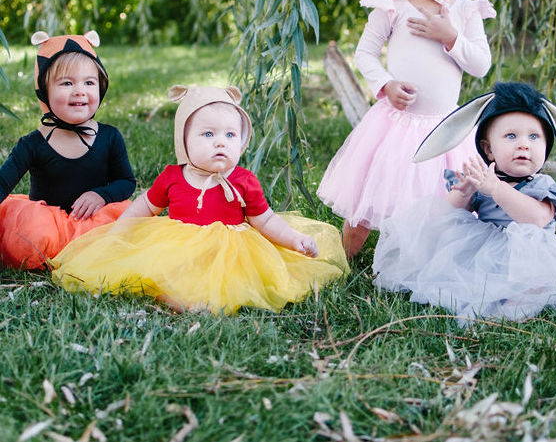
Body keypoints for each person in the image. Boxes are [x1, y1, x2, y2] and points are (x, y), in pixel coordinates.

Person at [52, 85, 349, 314]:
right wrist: (120, 233)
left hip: (232, 248)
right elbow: (145, 206)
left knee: (233, 280)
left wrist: (295, 239)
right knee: (164, 269)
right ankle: (178, 294)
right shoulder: (173, 176)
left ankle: (203, 297)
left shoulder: (243, 181)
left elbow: (266, 219)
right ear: (184, 140)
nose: (221, 142)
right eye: (208, 134)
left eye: (231, 135)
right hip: (180, 242)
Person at [317, 0, 496, 258]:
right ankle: (342, 259)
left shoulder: (465, 12)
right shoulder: (393, 5)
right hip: (395, 124)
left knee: (445, 203)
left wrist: (450, 36)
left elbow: (480, 64)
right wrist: (385, 84)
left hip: (445, 128)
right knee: (370, 194)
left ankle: (426, 261)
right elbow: (365, 53)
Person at [373, 81, 556, 323]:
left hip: (531, 254)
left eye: (534, 137)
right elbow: (445, 215)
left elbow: (538, 218)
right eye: (511, 136)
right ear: (489, 150)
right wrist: (463, 191)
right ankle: (484, 291)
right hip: (486, 250)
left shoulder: (542, 186)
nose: (524, 145)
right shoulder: (482, 180)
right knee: (463, 271)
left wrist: (496, 189)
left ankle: (523, 297)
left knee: (539, 280)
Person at [0, 31, 136, 269]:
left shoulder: (109, 136)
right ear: (45, 92)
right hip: (47, 225)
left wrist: (101, 195)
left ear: (101, 87)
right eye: (67, 83)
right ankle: (51, 249)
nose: (79, 91)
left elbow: (126, 181)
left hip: (93, 220)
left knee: (130, 222)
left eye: (89, 82)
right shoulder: (32, 143)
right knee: (28, 233)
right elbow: (3, 183)